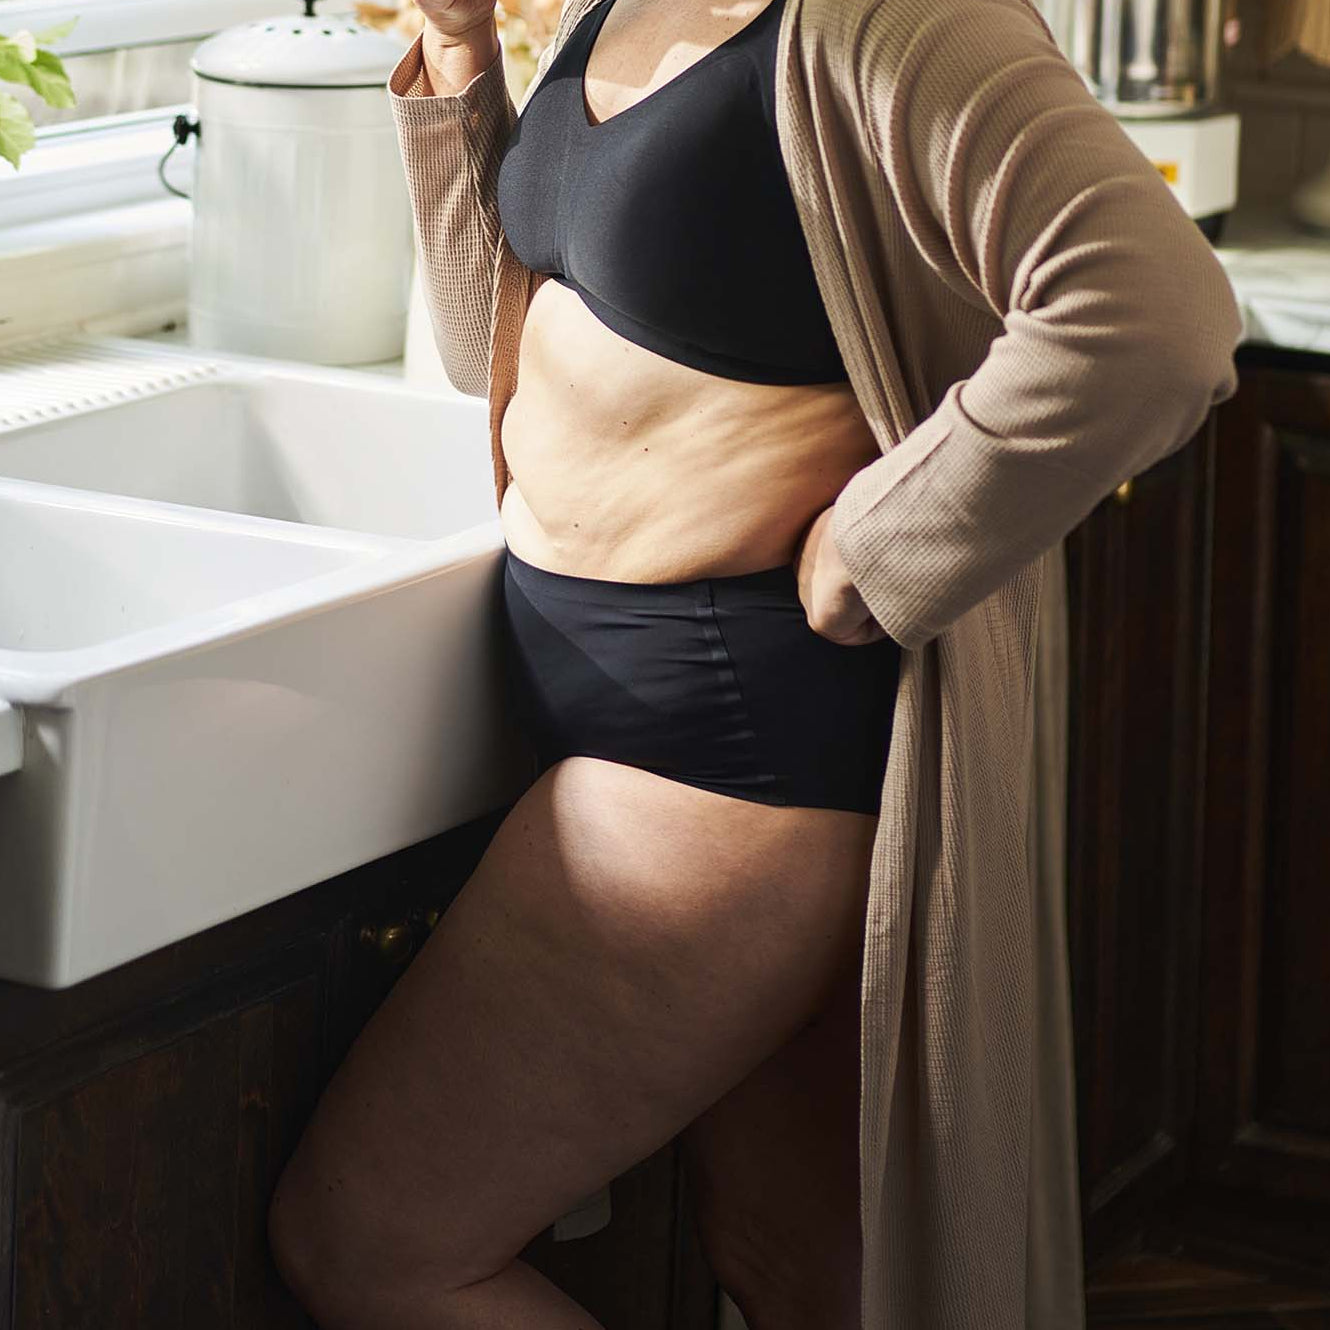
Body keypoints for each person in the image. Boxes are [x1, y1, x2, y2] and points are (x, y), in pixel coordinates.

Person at [267, 1, 1244, 1326]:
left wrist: (877, 546)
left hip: (723, 754)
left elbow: (1156, 316)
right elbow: (491, 342)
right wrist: (458, 53)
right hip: (659, 734)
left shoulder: (900, 20)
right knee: (793, 1270)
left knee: (373, 1246)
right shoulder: (627, 9)